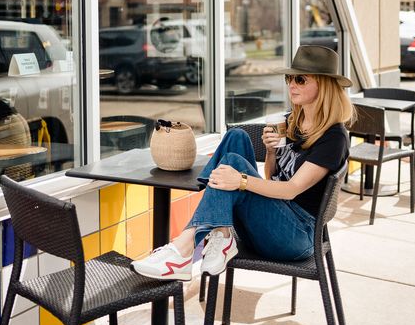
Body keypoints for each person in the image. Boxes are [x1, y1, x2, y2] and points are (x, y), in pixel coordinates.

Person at [131, 45, 354, 282]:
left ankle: (184, 247)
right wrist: (271, 152)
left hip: (296, 236)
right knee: (235, 137)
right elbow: (273, 177)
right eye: (289, 78)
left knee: (233, 164)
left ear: (325, 85)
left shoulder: (333, 137)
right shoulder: (293, 121)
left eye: (300, 79)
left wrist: (241, 180)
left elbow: (291, 189)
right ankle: (221, 232)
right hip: (271, 220)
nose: (291, 85)